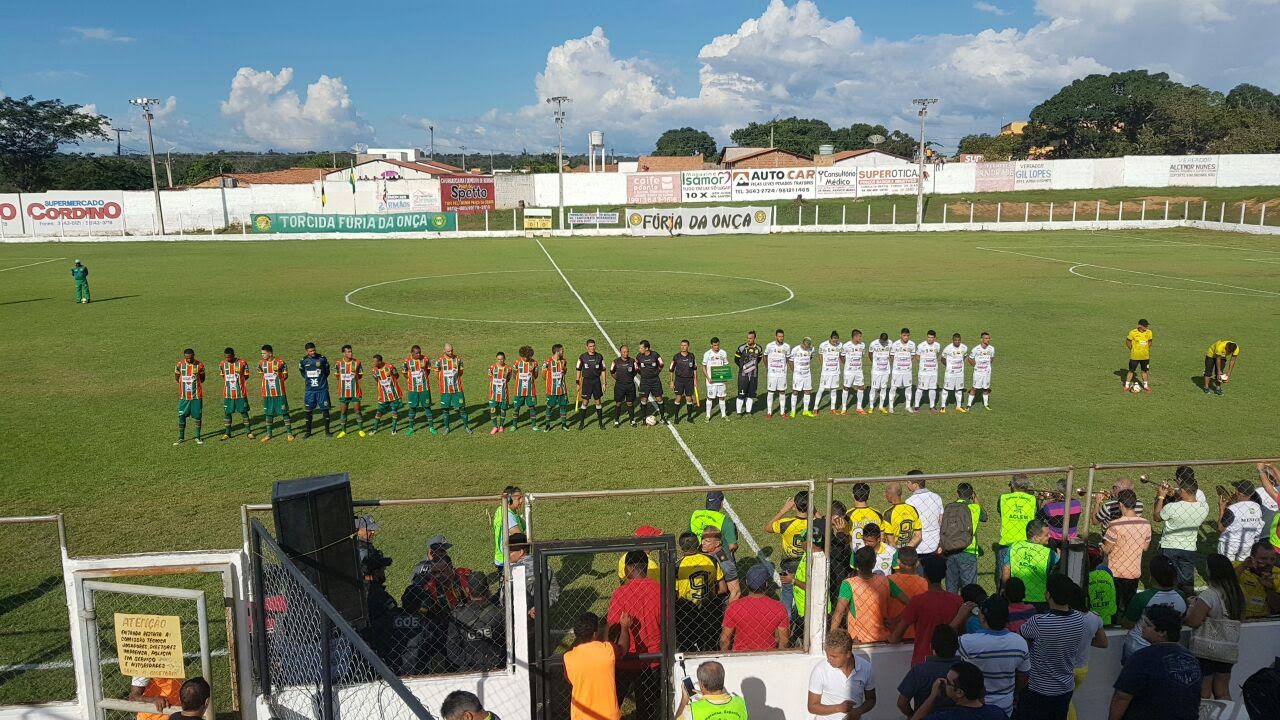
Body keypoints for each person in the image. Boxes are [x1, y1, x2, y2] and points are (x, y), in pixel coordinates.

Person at [1015, 575, 1089, 720]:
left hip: (1039, 689)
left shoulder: (1039, 622)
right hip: (1065, 688)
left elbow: (1020, 635)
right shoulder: (1079, 619)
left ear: (1048, 594)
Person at [1109, 605, 1201, 720]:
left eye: (1148, 625)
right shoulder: (1192, 659)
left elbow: (1121, 698)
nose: (1143, 627)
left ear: (1162, 632)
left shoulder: (1142, 658)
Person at [609, 550, 663, 720]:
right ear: (646, 566)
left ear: (628, 568)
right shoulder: (660, 590)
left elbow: (612, 626)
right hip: (653, 658)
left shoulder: (621, 593)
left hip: (625, 657)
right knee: (647, 708)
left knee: (613, 703)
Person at [1185, 553, 1246, 699]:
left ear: (1211, 572)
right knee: (1222, 690)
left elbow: (1193, 622)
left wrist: (1192, 606)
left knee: (1204, 691)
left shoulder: (1209, 595)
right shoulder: (1238, 593)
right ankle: (1228, 711)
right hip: (1227, 649)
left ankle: (1204, 712)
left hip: (1206, 650)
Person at [958, 597, 1030, 717]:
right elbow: (1024, 676)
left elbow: (941, 646)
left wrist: (960, 617)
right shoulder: (1020, 642)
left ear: (982, 617)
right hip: (1005, 707)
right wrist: (1013, 692)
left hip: (975, 707)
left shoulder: (967, 642)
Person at [890, 554, 964, 665]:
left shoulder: (917, 601)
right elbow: (962, 632)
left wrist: (887, 636)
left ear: (924, 575)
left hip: (922, 661)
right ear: (944, 575)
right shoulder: (957, 600)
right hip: (950, 661)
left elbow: (896, 637)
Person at [831, 546, 910, 643]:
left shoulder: (848, 584)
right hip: (883, 639)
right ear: (874, 563)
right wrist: (895, 620)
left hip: (858, 640)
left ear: (856, 564)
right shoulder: (886, 581)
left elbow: (839, 613)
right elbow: (910, 603)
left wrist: (832, 640)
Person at [1121, 555, 1186, 661]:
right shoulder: (1181, 596)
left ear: (1152, 576)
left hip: (1138, 647)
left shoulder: (1142, 597)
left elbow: (1128, 623)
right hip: (1167, 649)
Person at [564, 612, 626, 720]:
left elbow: (570, 680)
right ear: (594, 634)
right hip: (608, 715)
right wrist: (625, 628)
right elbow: (623, 648)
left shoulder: (568, 657)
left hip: (581, 716)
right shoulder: (608, 650)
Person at [1154, 475, 1208, 595]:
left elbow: (1157, 517)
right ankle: (1188, 601)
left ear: (1183, 491)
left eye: (1179, 489)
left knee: (1168, 580)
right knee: (1187, 582)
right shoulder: (1204, 507)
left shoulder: (1171, 507)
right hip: (1189, 548)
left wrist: (1161, 497)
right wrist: (1177, 495)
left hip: (1170, 547)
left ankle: (1170, 601)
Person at [675, 531, 726, 652]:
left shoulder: (677, 566)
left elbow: (674, 595)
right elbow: (723, 588)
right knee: (710, 647)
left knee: (688, 649)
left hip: (687, 614)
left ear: (681, 547)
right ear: (698, 544)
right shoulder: (711, 560)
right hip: (709, 611)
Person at [1101, 489, 1150, 615]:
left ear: (1121, 504)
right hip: (1133, 571)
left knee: (1114, 604)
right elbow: (1145, 547)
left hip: (1115, 571)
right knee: (1129, 604)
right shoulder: (1145, 524)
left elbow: (1107, 549)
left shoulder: (1115, 525)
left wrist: (1101, 547)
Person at [808, 632, 877, 720]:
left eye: (834, 656)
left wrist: (858, 711)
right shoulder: (820, 670)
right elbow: (812, 707)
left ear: (848, 654)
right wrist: (839, 708)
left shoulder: (866, 667)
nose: (829, 659)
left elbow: (871, 699)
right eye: (827, 655)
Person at [722, 564, 789, 652]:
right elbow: (784, 641)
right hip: (768, 655)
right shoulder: (779, 607)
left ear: (746, 582)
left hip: (741, 655)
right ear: (766, 584)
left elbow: (725, 640)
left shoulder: (734, 607)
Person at [447, 572, 505, 672]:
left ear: (468, 590)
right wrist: (494, 661)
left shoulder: (457, 615)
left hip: (469, 669)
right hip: (497, 666)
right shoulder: (500, 613)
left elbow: (452, 651)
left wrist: (473, 661)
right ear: (487, 589)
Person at [765, 491, 811, 616]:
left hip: (789, 566)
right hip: (806, 565)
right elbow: (824, 521)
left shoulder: (786, 523)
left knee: (787, 594)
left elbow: (768, 527)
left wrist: (783, 510)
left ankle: (786, 621)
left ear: (794, 506)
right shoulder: (814, 523)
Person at [898, 624, 961, 716]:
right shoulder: (967, 669)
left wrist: (914, 716)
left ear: (931, 646)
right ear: (957, 647)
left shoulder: (919, 670)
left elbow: (902, 703)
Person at [910, 662, 1007, 720]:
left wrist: (932, 696)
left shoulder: (945, 717)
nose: (944, 683)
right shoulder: (997, 713)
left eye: (948, 682)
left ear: (959, 692)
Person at [995, 475, 1039, 592]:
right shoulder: (1033, 500)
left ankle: (1002, 596)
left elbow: (999, 510)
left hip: (1007, 542)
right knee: (1024, 575)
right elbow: (1037, 515)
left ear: (1012, 486)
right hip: (1026, 543)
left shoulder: (1003, 498)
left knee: (1003, 576)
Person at [1003, 520, 1057, 609]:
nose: (1049, 536)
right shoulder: (1049, 553)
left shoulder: (1014, 546)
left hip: (1016, 598)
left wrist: (1005, 589)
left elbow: (1006, 570)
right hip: (1040, 600)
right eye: (1046, 535)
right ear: (1036, 537)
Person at [943, 483, 987, 592]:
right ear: (971, 495)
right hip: (969, 550)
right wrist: (975, 499)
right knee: (969, 589)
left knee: (951, 587)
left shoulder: (949, 507)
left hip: (951, 550)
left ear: (957, 494)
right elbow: (985, 517)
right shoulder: (975, 508)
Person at [676, 661, 748, 720]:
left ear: (702, 685)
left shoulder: (692, 710)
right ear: (722, 680)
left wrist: (684, 700)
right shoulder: (740, 702)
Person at [1218, 480, 1264, 561]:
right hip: (1247, 545)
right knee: (1242, 567)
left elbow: (1221, 528)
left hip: (1229, 545)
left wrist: (1221, 509)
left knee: (1226, 567)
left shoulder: (1232, 509)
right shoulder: (1257, 507)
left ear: (1238, 493)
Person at [888, 547, 929, 636]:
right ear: (917, 563)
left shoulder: (887, 581)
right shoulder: (925, 583)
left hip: (893, 633)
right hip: (918, 633)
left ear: (898, 562)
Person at [257, 344, 294, 442]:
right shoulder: (261, 363)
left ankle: (289, 434)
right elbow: (261, 374)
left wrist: (278, 382)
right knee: (268, 413)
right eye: (262, 353)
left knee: (284, 412)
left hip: (279, 392)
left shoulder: (280, 362)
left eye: (264, 353)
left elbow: (285, 375)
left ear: (270, 353)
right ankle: (269, 434)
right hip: (267, 393)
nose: (262, 355)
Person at [1236, 540, 1280, 618]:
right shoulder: (1238, 566)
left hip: (1263, 621)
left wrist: (1270, 588)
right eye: (1264, 558)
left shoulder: (1278, 574)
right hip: (1237, 618)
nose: (1269, 563)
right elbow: (1223, 583)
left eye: (1272, 559)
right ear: (1252, 558)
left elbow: (1277, 608)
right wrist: (1243, 566)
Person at [436, 343, 471, 434]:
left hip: (457, 389)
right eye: (448, 351)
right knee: (445, 410)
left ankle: (466, 427)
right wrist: (443, 381)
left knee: (462, 408)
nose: (450, 352)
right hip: (445, 390)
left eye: (451, 350)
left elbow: (461, 372)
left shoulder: (458, 359)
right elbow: (437, 373)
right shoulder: (440, 361)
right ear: (444, 350)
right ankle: (447, 428)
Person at [906, 471, 945, 555]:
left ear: (915, 485)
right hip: (935, 544)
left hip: (918, 547)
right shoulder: (936, 497)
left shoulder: (910, 502)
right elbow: (941, 521)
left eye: (908, 482)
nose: (906, 484)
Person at [402, 345, 438, 436]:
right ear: (412, 353)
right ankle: (410, 428)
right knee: (412, 408)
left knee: (427, 407)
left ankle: (431, 427)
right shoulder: (407, 362)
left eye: (420, 352)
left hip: (424, 388)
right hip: (412, 389)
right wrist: (411, 380)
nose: (419, 354)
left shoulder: (425, 359)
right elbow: (405, 373)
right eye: (417, 353)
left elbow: (428, 371)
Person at [298, 342, 332, 438]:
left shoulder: (322, 359)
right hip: (310, 390)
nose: (313, 352)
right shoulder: (303, 361)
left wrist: (321, 379)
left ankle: (327, 431)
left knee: (325, 410)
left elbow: (327, 371)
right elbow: (303, 372)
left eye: (314, 350)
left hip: (322, 389)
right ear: (306, 351)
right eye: (310, 351)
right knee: (308, 411)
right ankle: (308, 432)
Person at [218, 347, 253, 440]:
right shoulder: (222, 364)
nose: (228, 359)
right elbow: (223, 376)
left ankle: (249, 432)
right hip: (228, 393)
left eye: (229, 357)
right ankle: (227, 433)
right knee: (227, 413)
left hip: (240, 393)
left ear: (233, 355)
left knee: (244, 412)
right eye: (226, 357)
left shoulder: (242, 363)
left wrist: (238, 383)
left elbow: (246, 376)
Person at [173, 348, 205, 446]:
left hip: (196, 396)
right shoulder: (179, 365)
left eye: (190, 358)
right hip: (184, 397)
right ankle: (181, 438)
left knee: (198, 417)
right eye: (187, 358)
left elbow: (202, 379)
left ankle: (198, 437)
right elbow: (177, 378)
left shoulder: (199, 365)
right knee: (181, 416)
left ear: (194, 355)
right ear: (184, 357)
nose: (189, 360)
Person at [334, 344, 366, 438]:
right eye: (348, 352)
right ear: (343, 353)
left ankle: (361, 430)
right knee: (343, 412)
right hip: (343, 392)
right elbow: (337, 376)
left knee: (357, 411)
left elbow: (360, 375)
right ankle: (343, 431)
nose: (350, 353)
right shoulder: (338, 363)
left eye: (351, 351)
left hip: (355, 391)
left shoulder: (357, 362)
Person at [700, 527, 740, 602]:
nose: (702, 543)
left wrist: (729, 609)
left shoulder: (725, 564)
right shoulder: (706, 551)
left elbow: (736, 592)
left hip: (721, 601)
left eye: (707, 541)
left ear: (717, 543)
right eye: (702, 539)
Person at [1039, 480, 1083, 548]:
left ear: (1058, 492)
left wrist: (1041, 500)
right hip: (1071, 539)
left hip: (1054, 540)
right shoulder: (1077, 504)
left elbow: (1039, 517)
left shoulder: (1050, 506)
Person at [576, 339, 608, 429]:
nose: (592, 348)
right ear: (586, 347)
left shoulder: (599, 357)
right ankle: (582, 423)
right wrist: (577, 383)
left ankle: (600, 423)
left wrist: (604, 383)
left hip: (596, 381)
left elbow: (603, 370)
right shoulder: (582, 357)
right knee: (585, 402)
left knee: (598, 401)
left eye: (593, 346)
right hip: (587, 382)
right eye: (590, 346)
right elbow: (578, 370)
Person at [493, 486, 525, 568]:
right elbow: (519, 538)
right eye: (518, 498)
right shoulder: (507, 515)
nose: (521, 501)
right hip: (508, 560)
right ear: (509, 500)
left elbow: (524, 526)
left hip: (505, 558)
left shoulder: (507, 511)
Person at [635, 340, 666, 424]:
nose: (640, 350)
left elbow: (661, 364)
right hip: (644, 381)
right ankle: (644, 419)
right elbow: (636, 366)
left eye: (641, 348)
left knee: (659, 398)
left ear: (647, 348)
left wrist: (657, 372)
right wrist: (641, 373)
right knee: (644, 399)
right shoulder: (639, 356)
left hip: (655, 380)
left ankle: (663, 417)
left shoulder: (655, 355)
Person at [542, 343, 572, 431]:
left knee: (563, 406)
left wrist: (563, 367)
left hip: (562, 389)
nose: (563, 351)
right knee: (550, 407)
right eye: (562, 350)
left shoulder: (564, 361)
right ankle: (547, 425)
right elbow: (543, 375)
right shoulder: (547, 362)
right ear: (557, 351)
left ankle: (564, 424)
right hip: (551, 390)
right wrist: (550, 382)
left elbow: (565, 372)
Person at [734, 330, 764, 416]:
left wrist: (752, 368)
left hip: (754, 375)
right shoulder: (742, 348)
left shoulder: (759, 348)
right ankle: (739, 413)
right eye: (748, 338)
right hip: (743, 376)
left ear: (754, 338)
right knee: (741, 394)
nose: (748, 340)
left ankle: (748, 412)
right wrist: (743, 368)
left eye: (750, 338)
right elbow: (736, 359)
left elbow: (759, 359)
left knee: (751, 395)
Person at [510, 345, 539, 432]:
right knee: (516, 407)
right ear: (521, 355)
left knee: (532, 407)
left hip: (530, 390)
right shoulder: (517, 363)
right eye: (524, 356)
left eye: (528, 356)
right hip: (519, 390)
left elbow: (536, 376)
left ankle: (534, 425)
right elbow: (514, 376)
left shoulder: (534, 363)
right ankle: (514, 425)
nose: (526, 358)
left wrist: (533, 370)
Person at [884, 482, 922, 549]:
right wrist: (907, 549)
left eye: (886, 493)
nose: (885, 495)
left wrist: (899, 553)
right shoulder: (912, 509)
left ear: (890, 495)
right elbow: (918, 536)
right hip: (910, 550)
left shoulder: (888, 513)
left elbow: (891, 542)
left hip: (896, 552)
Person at [763, 329, 790, 419]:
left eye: (782, 336)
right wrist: (767, 367)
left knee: (782, 392)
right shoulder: (769, 346)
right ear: (776, 337)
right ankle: (769, 412)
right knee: (771, 392)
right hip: (772, 374)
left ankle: (782, 412)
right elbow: (765, 356)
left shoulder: (787, 347)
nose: (781, 338)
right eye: (779, 336)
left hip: (782, 374)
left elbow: (787, 358)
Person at [846, 484, 884, 549]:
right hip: (873, 552)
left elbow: (845, 537)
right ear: (869, 496)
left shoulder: (848, 515)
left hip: (855, 552)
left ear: (853, 495)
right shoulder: (877, 514)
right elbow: (882, 538)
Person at [669, 339, 698, 424]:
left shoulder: (692, 356)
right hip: (679, 380)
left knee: (689, 398)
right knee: (678, 398)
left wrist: (695, 380)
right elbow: (671, 370)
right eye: (681, 345)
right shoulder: (676, 357)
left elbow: (695, 369)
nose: (683, 347)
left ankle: (689, 417)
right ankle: (676, 417)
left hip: (689, 380)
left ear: (688, 346)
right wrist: (671, 381)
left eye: (685, 345)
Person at [702, 337, 731, 422]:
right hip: (711, 381)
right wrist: (708, 378)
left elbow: (726, 365)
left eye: (718, 345)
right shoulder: (707, 354)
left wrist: (726, 376)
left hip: (721, 381)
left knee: (722, 397)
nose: (717, 347)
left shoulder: (723, 353)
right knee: (710, 397)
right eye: (715, 345)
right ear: (711, 345)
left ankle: (723, 415)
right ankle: (708, 415)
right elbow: (703, 367)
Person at [889, 328, 917, 413]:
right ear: (900, 335)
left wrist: (906, 364)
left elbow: (912, 356)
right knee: (893, 387)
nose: (906, 337)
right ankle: (891, 406)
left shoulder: (912, 344)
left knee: (908, 387)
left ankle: (908, 406)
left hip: (907, 371)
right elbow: (892, 356)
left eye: (907, 335)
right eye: (904, 335)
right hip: (897, 371)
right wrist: (897, 364)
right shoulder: (895, 344)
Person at [816, 331, 844, 415]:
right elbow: (820, 355)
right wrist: (823, 365)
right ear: (830, 338)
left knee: (834, 389)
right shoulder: (823, 345)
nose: (835, 342)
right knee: (821, 389)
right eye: (833, 340)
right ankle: (815, 408)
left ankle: (833, 408)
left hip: (835, 372)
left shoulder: (840, 345)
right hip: (826, 372)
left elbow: (841, 355)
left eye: (836, 340)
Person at [940, 333, 969, 414]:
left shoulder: (964, 348)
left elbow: (964, 356)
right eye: (955, 340)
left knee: (959, 389)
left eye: (959, 340)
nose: (957, 342)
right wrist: (949, 366)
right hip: (950, 374)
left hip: (959, 373)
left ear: (960, 340)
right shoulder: (948, 348)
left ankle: (958, 406)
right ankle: (943, 407)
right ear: (952, 340)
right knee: (946, 389)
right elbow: (942, 359)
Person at [610, 345, 639, 427]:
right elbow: (612, 372)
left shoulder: (632, 361)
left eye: (627, 352)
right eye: (624, 352)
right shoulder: (615, 362)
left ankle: (632, 421)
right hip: (620, 386)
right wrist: (618, 379)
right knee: (618, 403)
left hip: (630, 386)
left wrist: (630, 378)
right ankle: (616, 421)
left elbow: (636, 370)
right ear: (620, 352)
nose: (626, 353)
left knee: (630, 403)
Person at [966, 333, 995, 410]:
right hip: (978, 372)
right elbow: (970, 359)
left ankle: (986, 405)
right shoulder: (976, 349)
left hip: (987, 372)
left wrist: (987, 366)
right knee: (974, 388)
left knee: (986, 388)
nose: (988, 340)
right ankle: (968, 405)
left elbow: (992, 358)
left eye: (988, 338)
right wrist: (975, 366)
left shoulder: (991, 349)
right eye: (986, 338)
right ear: (981, 339)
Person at [915, 330, 943, 412]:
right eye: (928, 337)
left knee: (933, 388)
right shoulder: (921, 345)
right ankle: (916, 406)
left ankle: (932, 406)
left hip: (933, 372)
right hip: (923, 372)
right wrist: (923, 364)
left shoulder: (937, 345)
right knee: (920, 388)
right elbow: (917, 356)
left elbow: (937, 355)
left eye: (932, 337)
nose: (930, 339)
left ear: (935, 338)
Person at [841, 329, 867, 415]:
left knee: (861, 387)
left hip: (859, 371)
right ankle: (844, 408)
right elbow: (842, 356)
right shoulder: (846, 345)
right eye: (860, 336)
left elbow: (862, 355)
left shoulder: (862, 345)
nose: (861, 338)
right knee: (846, 388)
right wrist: (847, 365)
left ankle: (859, 407)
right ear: (855, 336)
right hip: (849, 371)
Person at [1123, 320, 1154, 393]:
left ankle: (1146, 386)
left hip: (1145, 356)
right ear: (1140, 326)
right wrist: (1132, 349)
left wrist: (1146, 349)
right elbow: (1128, 342)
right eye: (1145, 326)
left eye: (1147, 326)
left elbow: (1150, 341)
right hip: (1135, 356)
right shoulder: (1133, 332)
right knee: (1131, 371)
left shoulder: (1149, 332)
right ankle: (1126, 386)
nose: (1146, 327)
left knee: (1144, 371)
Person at [789, 336, 816, 418]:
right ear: (802, 343)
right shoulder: (795, 350)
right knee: (795, 391)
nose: (806, 348)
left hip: (807, 374)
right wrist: (794, 371)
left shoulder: (811, 349)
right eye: (805, 346)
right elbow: (790, 361)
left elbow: (810, 357)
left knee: (808, 391)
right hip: (798, 375)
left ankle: (805, 410)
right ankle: (793, 411)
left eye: (807, 347)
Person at [486, 351, 512, 435]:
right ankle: (495, 426)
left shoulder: (508, 369)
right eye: (498, 359)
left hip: (503, 394)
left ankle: (501, 426)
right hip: (493, 393)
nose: (500, 361)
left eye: (501, 359)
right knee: (492, 409)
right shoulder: (492, 367)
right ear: (496, 359)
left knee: (503, 410)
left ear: (504, 359)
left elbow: (508, 379)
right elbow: (490, 377)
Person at [868, 332, 892, 413]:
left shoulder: (890, 343)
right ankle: (871, 406)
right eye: (882, 342)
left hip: (886, 370)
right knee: (874, 388)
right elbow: (870, 354)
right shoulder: (873, 344)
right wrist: (874, 363)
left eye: (885, 342)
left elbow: (891, 353)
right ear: (879, 339)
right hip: (876, 371)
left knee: (884, 387)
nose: (883, 344)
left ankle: (881, 406)